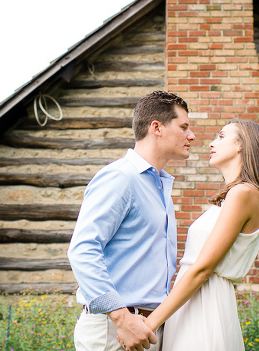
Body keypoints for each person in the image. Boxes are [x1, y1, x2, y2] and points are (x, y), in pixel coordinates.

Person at [139, 119, 259, 351]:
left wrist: (150, 325)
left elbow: (202, 269)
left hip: (204, 307)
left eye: (221, 136)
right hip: (191, 304)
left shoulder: (243, 193)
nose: (211, 143)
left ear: (242, 145)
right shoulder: (236, 196)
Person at [67, 91, 196, 351]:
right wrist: (121, 317)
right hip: (113, 330)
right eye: (184, 127)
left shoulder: (160, 185)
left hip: (149, 328)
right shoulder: (120, 178)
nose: (191, 136)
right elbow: (82, 249)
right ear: (156, 127)